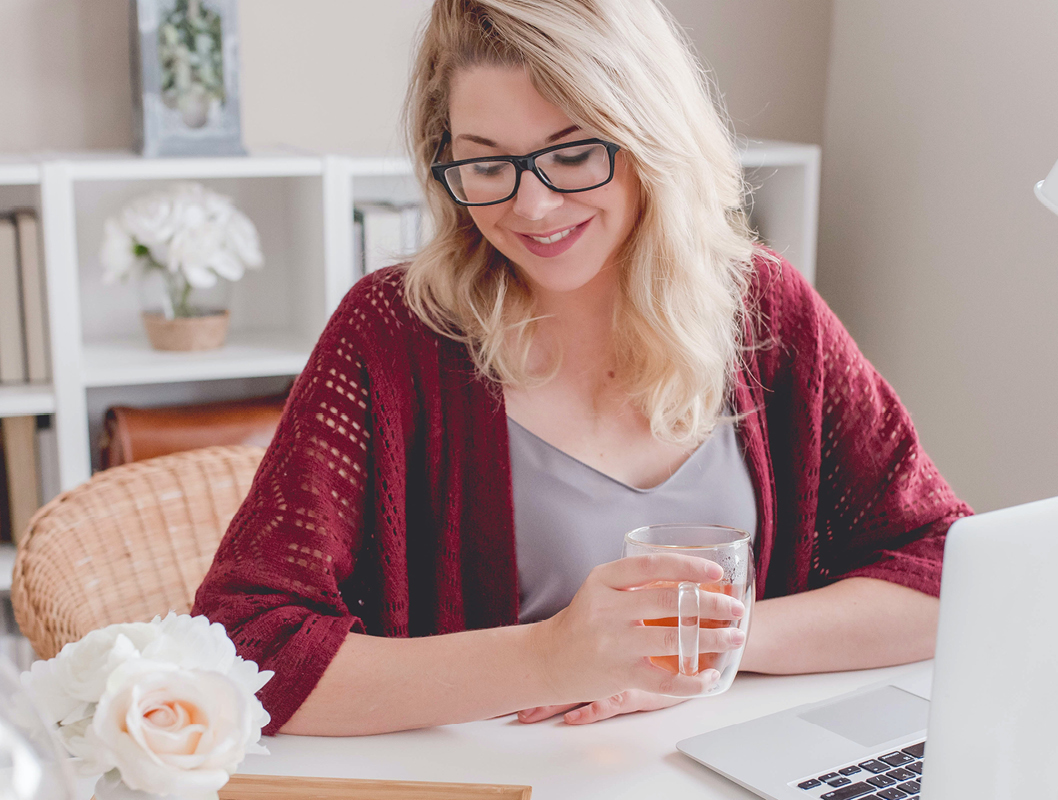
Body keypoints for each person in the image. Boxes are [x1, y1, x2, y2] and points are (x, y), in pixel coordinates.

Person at [192, 0, 971, 737]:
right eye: (487, 164)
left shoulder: (765, 310)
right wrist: (547, 658)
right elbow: (243, 643)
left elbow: (951, 571)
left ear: (651, 138)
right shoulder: (391, 334)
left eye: (572, 154)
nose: (532, 206)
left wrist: (695, 644)